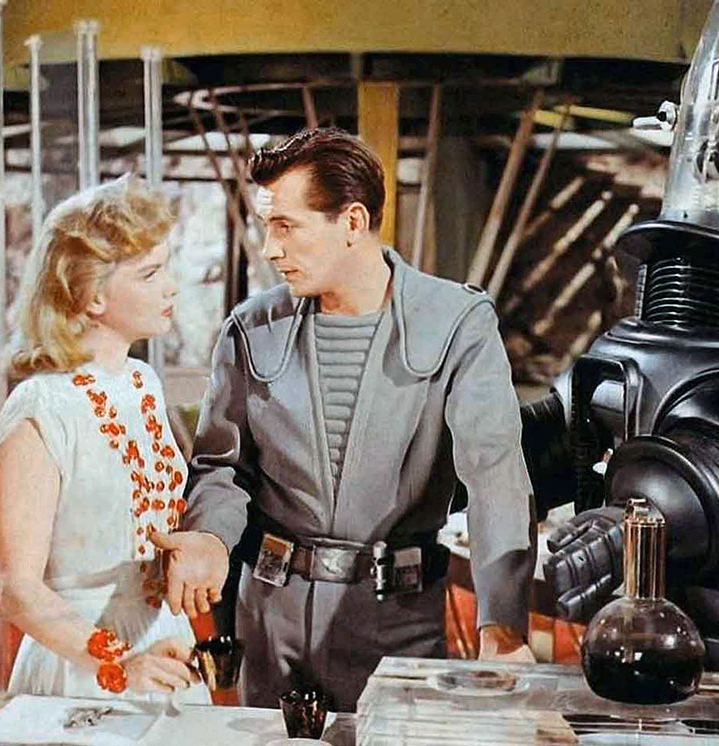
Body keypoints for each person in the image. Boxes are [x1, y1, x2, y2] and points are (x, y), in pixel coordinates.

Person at [151, 128, 536, 710]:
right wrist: (209, 536)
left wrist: (502, 625)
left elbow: (496, 477)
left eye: (286, 227)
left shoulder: (457, 323)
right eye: (266, 227)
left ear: (353, 222)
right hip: (269, 625)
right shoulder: (251, 329)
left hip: (397, 624)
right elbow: (221, 468)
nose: (270, 249)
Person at [0, 176, 205, 701]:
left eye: (166, 268)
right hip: (81, 660)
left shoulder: (142, 382)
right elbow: (18, 589)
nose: (171, 287)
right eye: (150, 273)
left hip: (164, 641)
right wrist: (117, 662)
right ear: (91, 297)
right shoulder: (41, 406)